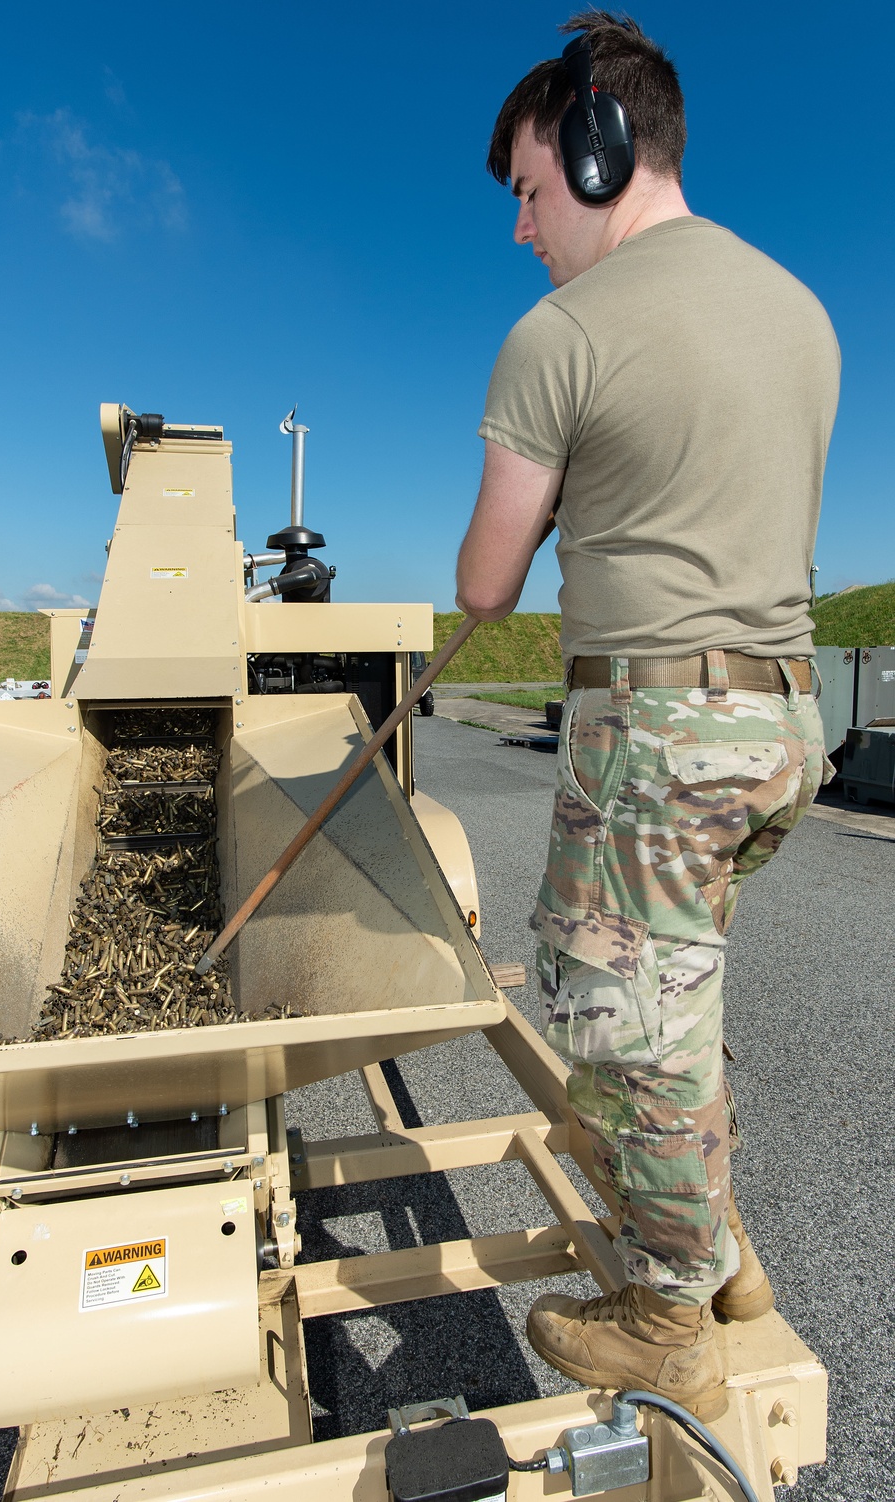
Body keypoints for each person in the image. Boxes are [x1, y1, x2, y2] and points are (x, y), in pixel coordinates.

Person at [455, 11, 838, 1422]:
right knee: (676, 991)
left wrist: (538, 506)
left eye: (529, 190)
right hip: (782, 729)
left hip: (660, 738)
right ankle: (724, 1254)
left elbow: (488, 581)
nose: (522, 229)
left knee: (612, 1007)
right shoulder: (802, 308)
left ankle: (670, 1310)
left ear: (597, 150)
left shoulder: (559, 332)